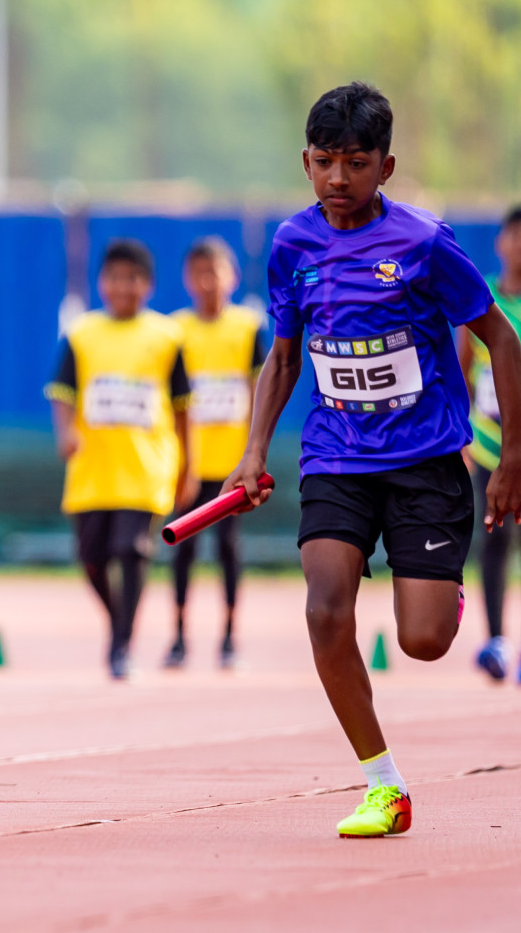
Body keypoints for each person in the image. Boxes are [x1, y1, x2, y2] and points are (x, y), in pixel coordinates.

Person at [226, 82, 521, 838]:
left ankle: (439, 594)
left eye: (355, 164)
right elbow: (283, 358)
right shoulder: (293, 246)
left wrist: (513, 452)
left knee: (423, 642)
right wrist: (252, 450)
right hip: (337, 455)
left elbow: (501, 339)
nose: (337, 180)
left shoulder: (425, 243)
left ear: (385, 167)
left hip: (426, 461)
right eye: (324, 162)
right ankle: (382, 785)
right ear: (305, 161)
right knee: (324, 609)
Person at [47, 240, 195, 680]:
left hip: (147, 466)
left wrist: (187, 466)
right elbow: (61, 393)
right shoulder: (81, 334)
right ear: (101, 283)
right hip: (92, 467)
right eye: (114, 278)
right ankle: (120, 622)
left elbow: (184, 406)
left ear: (147, 285)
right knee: (91, 557)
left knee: (129, 551)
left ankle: (120, 646)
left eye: (132, 278)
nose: (122, 287)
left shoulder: (168, 337)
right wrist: (66, 432)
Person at [167, 238, 267, 669]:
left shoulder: (249, 328)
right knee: (182, 552)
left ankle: (229, 636)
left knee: (228, 547)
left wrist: (252, 452)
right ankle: (179, 636)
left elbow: (259, 390)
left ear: (233, 277)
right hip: (185, 465)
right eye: (200, 273)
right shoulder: (174, 331)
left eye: (217, 272)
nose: (208, 282)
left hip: (232, 465)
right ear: (188, 279)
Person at [456, 206, 521, 681]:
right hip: (486, 445)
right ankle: (496, 640)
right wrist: (460, 437)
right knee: (493, 540)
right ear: (500, 243)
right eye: (513, 237)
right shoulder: (483, 298)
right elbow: (461, 369)